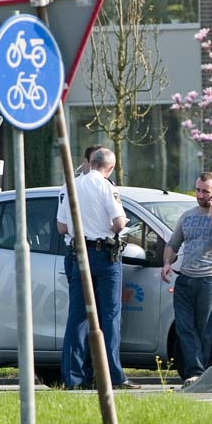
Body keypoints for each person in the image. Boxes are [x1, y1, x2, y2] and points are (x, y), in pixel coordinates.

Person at [56, 148, 139, 390]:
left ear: (89, 163)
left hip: (77, 254)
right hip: (105, 255)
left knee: (78, 317)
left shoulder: (69, 185)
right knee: (110, 316)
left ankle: (74, 378)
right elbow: (118, 223)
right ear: (110, 168)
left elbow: (62, 227)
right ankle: (114, 376)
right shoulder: (107, 187)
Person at [161, 171, 212, 386]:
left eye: (205, 191)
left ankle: (197, 374)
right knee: (184, 327)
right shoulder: (187, 216)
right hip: (185, 278)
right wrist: (167, 263)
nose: (200, 195)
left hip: (209, 279)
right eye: (198, 190)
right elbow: (172, 244)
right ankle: (194, 373)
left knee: (204, 328)